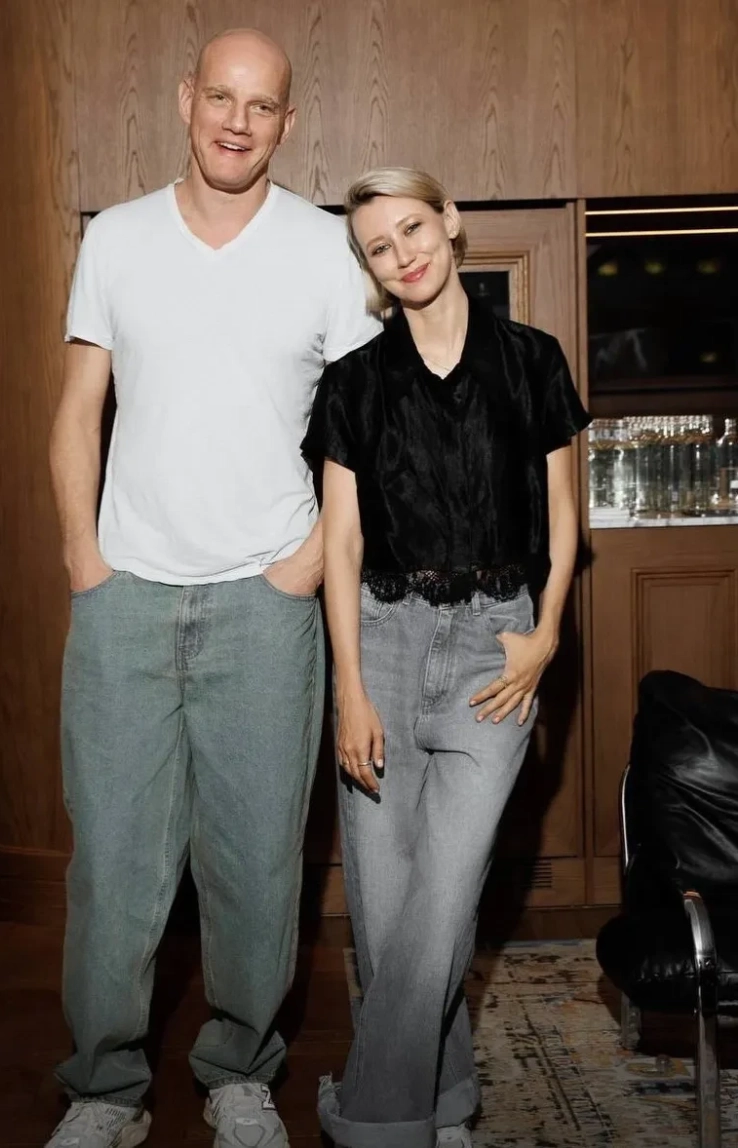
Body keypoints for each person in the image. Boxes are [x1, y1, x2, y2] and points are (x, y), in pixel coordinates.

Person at [46, 28, 380, 1148]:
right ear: (187, 99)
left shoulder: (327, 250)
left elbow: (365, 438)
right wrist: (85, 562)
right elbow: (76, 412)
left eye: (262, 104)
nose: (238, 121)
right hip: (125, 602)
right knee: (114, 865)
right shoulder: (116, 238)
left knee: (256, 864)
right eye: (221, 97)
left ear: (288, 122)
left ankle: (240, 1071)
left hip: (263, 606)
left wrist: (302, 569)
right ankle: (104, 1089)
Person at [301, 167, 591, 1148]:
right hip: (380, 643)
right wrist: (349, 688)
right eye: (379, 247)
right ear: (370, 267)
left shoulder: (533, 360)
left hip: (493, 650)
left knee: (445, 891)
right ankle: (446, 1098)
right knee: (388, 916)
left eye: (414, 230)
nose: (404, 255)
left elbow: (564, 515)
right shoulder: (352, 383)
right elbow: (342, 544)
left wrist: (546, 633)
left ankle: (375, 1118)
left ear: (451, 221)